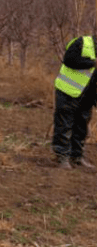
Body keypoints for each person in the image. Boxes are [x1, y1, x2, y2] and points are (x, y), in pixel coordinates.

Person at [52, 35, 97, 170]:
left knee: (81, 128)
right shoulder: (82, 42)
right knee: (64, 125)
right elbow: (69, 60)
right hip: (68, 92)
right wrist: (92, 63)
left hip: (86, 97)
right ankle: (62, 157)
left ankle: (76, 157)